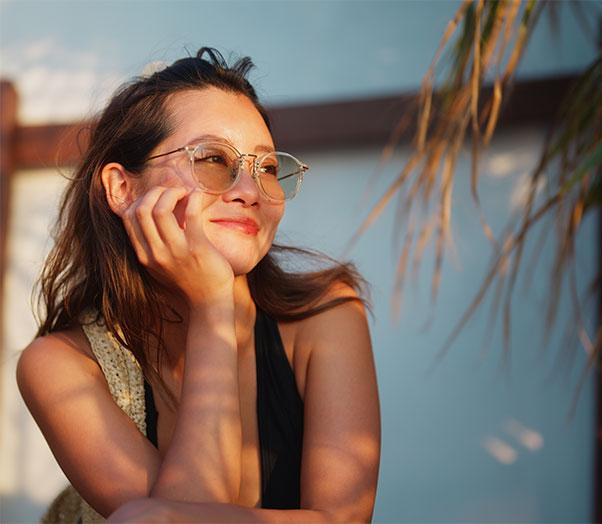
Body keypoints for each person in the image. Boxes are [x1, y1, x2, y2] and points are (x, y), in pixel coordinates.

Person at [16, 47, 380, 523]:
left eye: (268, 168)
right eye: (212, 160)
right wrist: (212, 305)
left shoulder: (325, 315)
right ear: (123, 189)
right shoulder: (61, 364)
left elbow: (344, 520)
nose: (251, 192)